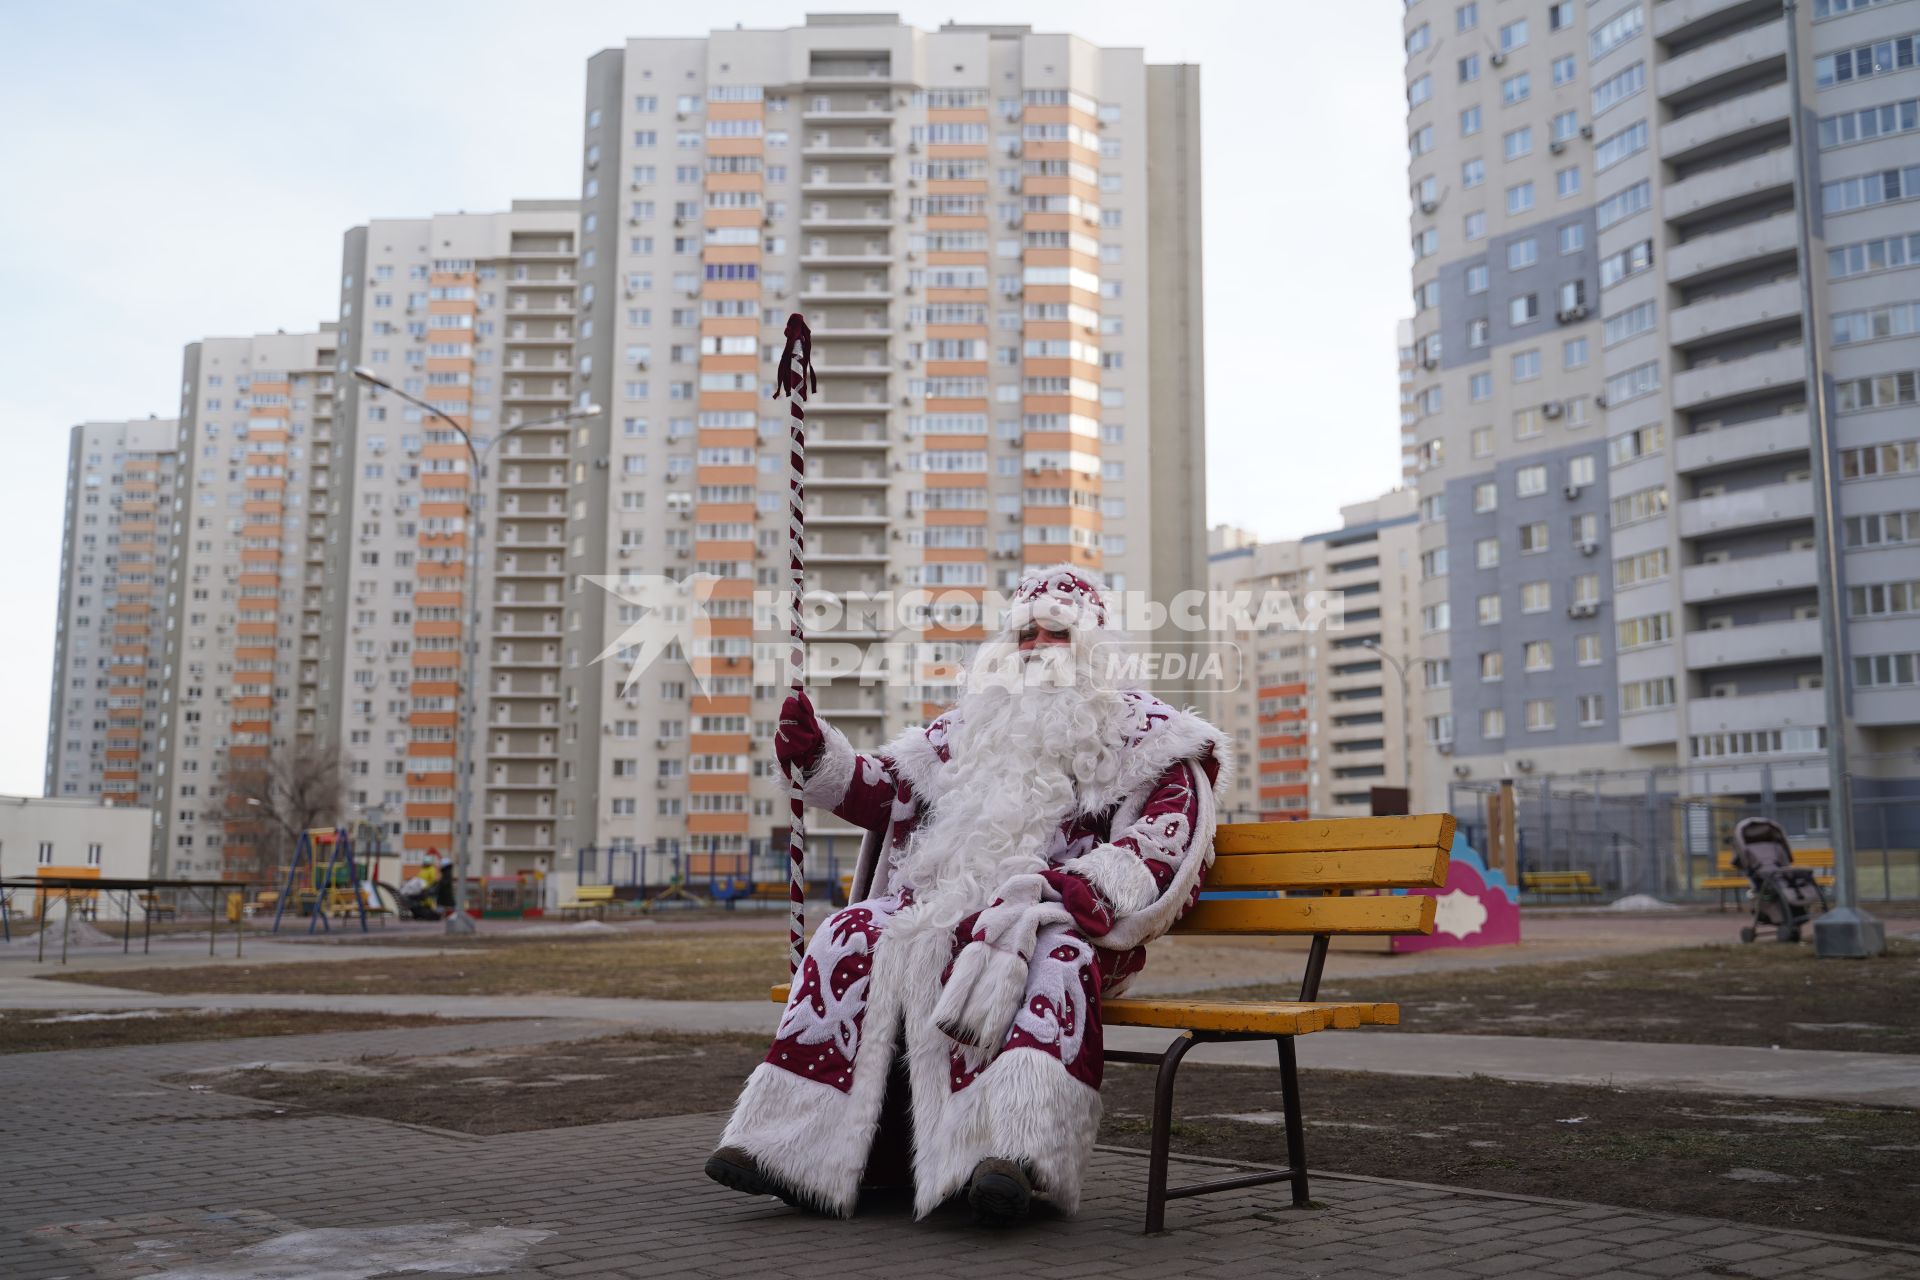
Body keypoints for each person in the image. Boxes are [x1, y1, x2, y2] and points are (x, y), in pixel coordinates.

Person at [706, 565, 1229, 1225]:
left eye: (1057, 634)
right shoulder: (968, 728)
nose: (1037, 646)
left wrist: (1086, 884)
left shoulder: (1147, 733)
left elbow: (1167, 832)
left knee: (1045, 951)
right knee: (853, 931)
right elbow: (883, 790)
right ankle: (795, 1150)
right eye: (1026, 634)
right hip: (948, 908)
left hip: (1071, 921)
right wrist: (817, 756)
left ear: (1095, 646)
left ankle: (1016, 1159)